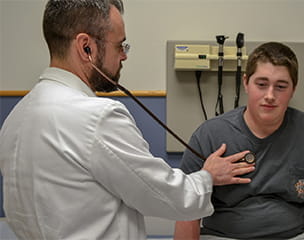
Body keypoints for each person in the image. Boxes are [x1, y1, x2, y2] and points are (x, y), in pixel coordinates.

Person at [0, 0, 256, 239]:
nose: (124, 55)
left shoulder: (16, 118)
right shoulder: (97, 118)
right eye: (120, 45)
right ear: (85, 47)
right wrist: (208, 176)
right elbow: (168, 196)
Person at [174, 42, 304, 240]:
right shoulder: (210, 134)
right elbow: (188, 208)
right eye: (261, 85)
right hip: (223, 236)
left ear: (293, 89)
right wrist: (207, 176)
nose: (270, 96)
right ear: (246, 83)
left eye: (280, 87)